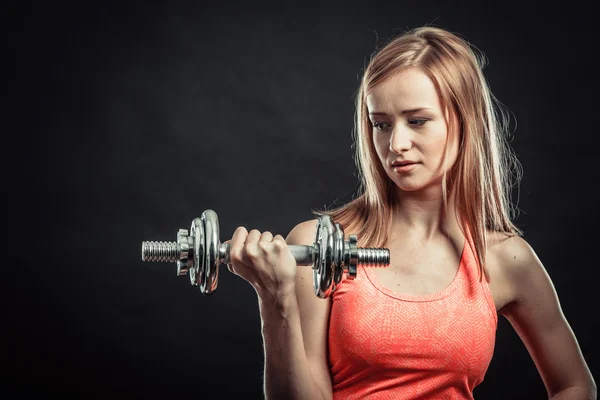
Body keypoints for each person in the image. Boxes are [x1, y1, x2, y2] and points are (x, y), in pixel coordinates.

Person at [225, 26, 596, 399]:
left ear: (464, 122)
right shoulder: (318, 247)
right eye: (381, 124)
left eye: (417, 121)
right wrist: (275, 300)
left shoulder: (505, 258)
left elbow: (576, 386)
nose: (396, 144)